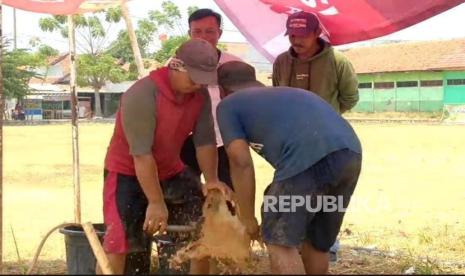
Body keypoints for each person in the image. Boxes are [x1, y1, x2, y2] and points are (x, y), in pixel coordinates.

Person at [216, 61, 362, 274]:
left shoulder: (229, 104)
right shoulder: (286, 94)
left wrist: (246, 217)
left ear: (221, 90)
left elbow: (240, 161)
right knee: (316, 242)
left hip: (308, 158)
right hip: (350, 157)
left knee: (279, 240)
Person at [99, 39, 231, 275]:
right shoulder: (141, 95)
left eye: (204, 80)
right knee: (118, 242)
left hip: (171, 170)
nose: (198, 85)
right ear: (176, 65)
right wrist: (156, 201)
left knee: (204, 230)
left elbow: (205, 141)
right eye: (194, 77)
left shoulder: (200, 97)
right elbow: (141, 154)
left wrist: (211, 179)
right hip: (127, 172)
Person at [181, 8, 242, 189]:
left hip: (227, 140)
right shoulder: (176, 65)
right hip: (186, 140)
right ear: (189, 34)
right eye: (197, 32)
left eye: (210, 31)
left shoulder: (235, 65)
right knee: (184, 194)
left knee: (228, 194)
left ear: (220, 33)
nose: (203, 37)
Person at [272, 11, 359, 114]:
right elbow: (278, 95)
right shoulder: (281, 62)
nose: (297, 41)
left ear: (317, 33)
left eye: (303, 36)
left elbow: (350, 99)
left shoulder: (337, 61)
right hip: (290, 126)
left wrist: (328, 115)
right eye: (292, 36)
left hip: (324, 127)